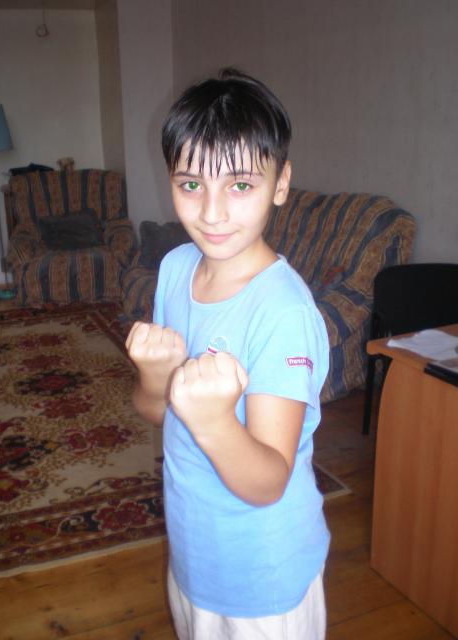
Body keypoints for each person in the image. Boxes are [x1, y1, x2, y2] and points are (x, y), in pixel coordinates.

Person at [126, 68, 330, 640]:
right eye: (191, 184)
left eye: (240, 185)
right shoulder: (175, 270)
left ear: (280, 183)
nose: (212, 212)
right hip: (194, 557)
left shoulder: (283, 314)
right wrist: (155, 377)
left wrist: (214, 420)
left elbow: (268, 482)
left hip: (263, 579)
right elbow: (157, 411)